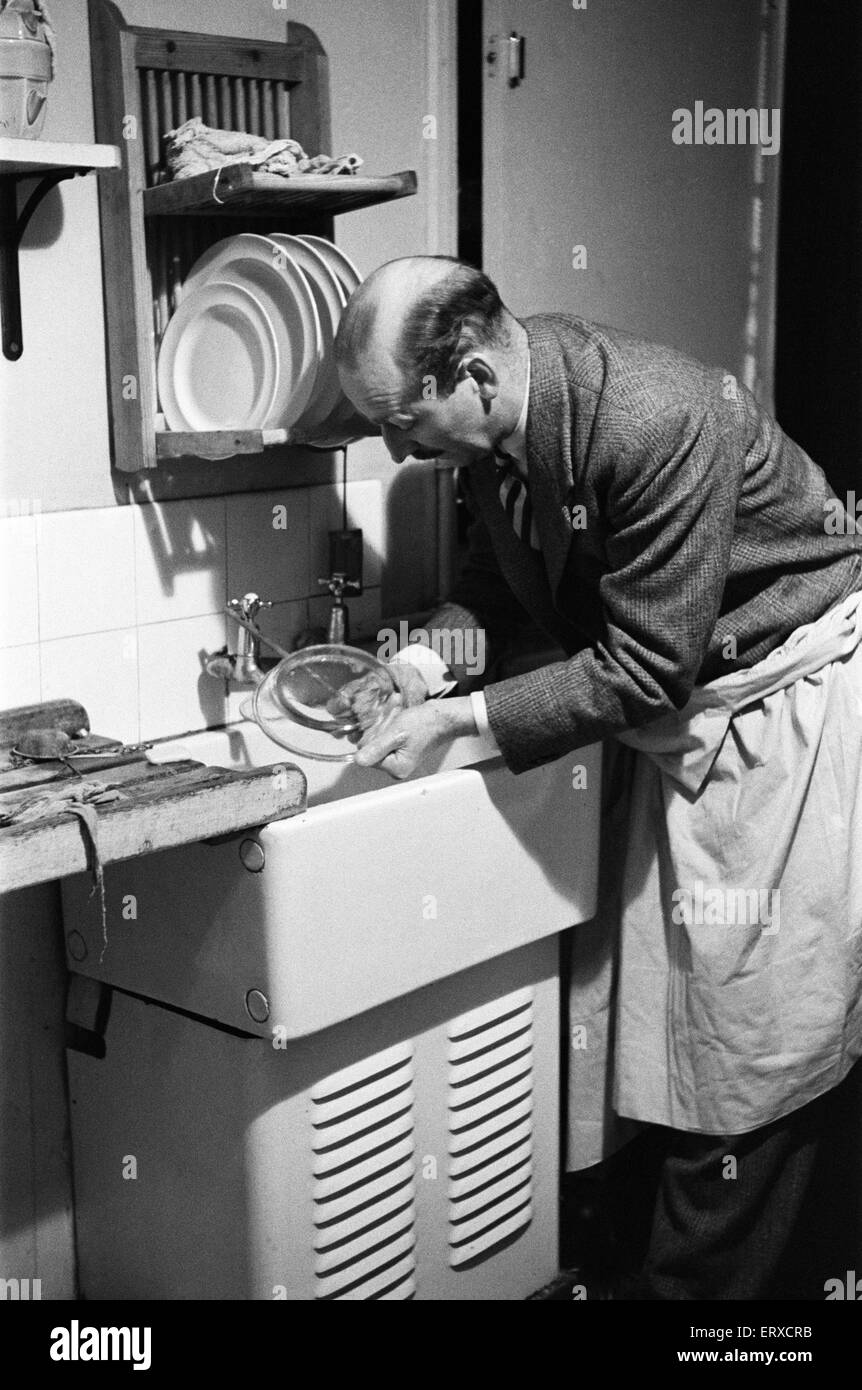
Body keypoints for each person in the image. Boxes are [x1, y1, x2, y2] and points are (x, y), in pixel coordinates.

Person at [333, 254, 862, 1300]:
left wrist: (464, 719)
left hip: (774, 713)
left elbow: (645, 663)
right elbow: (503, 587)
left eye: (401, 421)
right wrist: (415, 662)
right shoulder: (504, 432)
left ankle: (729, 1303)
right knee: (645, 1027)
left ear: (472, 375)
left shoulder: (654, 415)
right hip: (676, 724)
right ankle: (644, 1273)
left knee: (749, 1044)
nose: (394, 449)